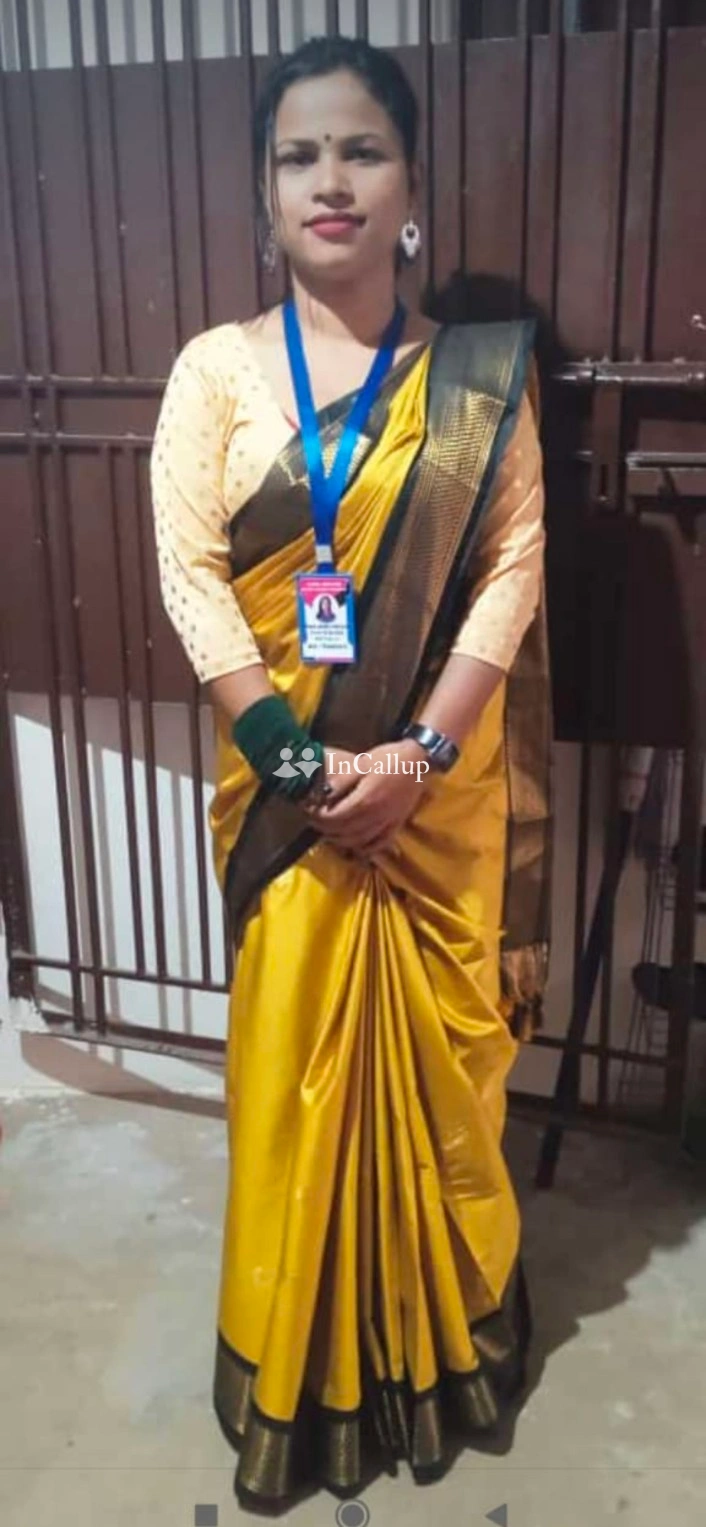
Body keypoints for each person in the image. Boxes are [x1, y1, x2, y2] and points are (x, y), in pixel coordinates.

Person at [150, 35, 552, 1511]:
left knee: (442, 1088)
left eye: (360, 150)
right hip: (287, 800)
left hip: (431, 798)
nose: (330, 180)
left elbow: (510, 568)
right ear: (265, 193)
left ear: (410, 184)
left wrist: (418, 755)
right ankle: (295, 1368)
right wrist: (296, 757)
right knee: (293, 1082)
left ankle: (443, 1350)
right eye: (298, 155)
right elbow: (190, 575)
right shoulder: (215, 372)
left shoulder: (476, 379)